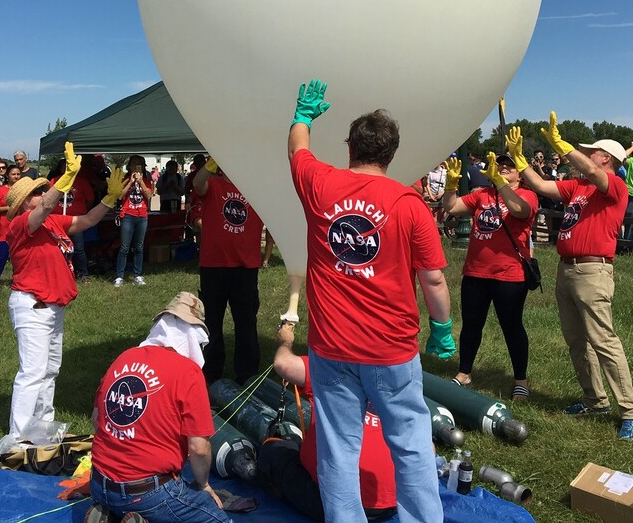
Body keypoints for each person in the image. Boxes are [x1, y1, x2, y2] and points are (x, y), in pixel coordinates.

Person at [288, 79, 453, 522]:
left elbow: (297, 151)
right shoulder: (409, 202)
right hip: (392, 351)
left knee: (338, 449)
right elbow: (433, 279)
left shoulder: (320, 185)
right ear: (391, 154)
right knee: (411, 446)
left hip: (331, 348)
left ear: (349, 148)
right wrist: (442, 330)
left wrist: (302, 115)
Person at [510, 113, 633, 441]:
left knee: (603, 340)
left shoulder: (613, 185)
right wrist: (519, 160)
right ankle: (594, 400)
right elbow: (542, 186)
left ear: (606, 158)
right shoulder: (579, 188)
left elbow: (591, 170)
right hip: (568, 268)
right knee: (576, 339)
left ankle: (632, 411)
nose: (584, 155)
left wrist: (561, 144)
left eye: (591, 151)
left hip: (592, 270)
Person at [4, 142, 123, 441]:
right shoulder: (19, 224)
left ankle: (43, 425)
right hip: (32, 304)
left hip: (53, 305)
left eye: (43, 190)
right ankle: (18, 436)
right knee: (32, 372)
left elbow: (89, 220)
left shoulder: (54, 222)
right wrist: (66, 178)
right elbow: (43, 208)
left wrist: (109, 198)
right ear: (22, 203)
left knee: (50, 369)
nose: (43, 195)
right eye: (36, 192)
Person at [87, 291, 231, 523]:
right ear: (194, 336)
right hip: (146, 492)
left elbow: (97, 418)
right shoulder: (188, 372)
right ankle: (139, 514)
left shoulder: (124, 358)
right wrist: (203, 485)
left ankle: (113, 512)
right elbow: (199, 447)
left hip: (98, 482)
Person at [259, 321, 397, 522]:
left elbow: (283, 364)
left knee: (273, 452)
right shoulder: (394, 374)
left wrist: (285, 341)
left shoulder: (328, 367)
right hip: (392, 502)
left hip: (338, 503)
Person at [441, 152, 538, 399]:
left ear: (520, 174)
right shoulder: (483, 195)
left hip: (510, 274)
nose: (504, 168)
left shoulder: (527, 194)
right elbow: (451, 207)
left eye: (509, 167)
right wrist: (451, 185)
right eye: (500, 165)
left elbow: (518, 210)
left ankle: (520, 380)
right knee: (471, 324)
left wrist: (501, 183)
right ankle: (464, 373)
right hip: (476, 271)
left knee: (512, 326)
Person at [192, 157, 265, 384]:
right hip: (214, 265)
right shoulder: (213, 184)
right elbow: (197, 183)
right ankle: (212, 372)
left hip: (245, 266)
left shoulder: (255, 190)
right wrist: (211, 163)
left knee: (246, 323)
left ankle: (247, 373)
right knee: (212, 322)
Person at [114, 154, 152, 287]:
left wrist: (140, 181)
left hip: (142, 215)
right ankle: (119, 276)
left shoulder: (146, 180)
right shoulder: (125, 179)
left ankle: (138, 275)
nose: (136, 166)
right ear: (129, 166)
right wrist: (130, 181)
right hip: (128, 215)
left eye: (139, 164)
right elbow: (119, 196)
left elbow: (148, 195)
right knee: (124, 247)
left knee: (139, 247)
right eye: (134, 164)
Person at [0, 165, 22, 293]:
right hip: (4, 230)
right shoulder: (0, 191)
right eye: (13, 174)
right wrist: (8, 208)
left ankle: (19, 284)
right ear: (8, 175)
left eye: (18, 174)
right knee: (0, 259)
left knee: (20, 260)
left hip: (20, 230)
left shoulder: (24, 191)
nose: (16, 177)